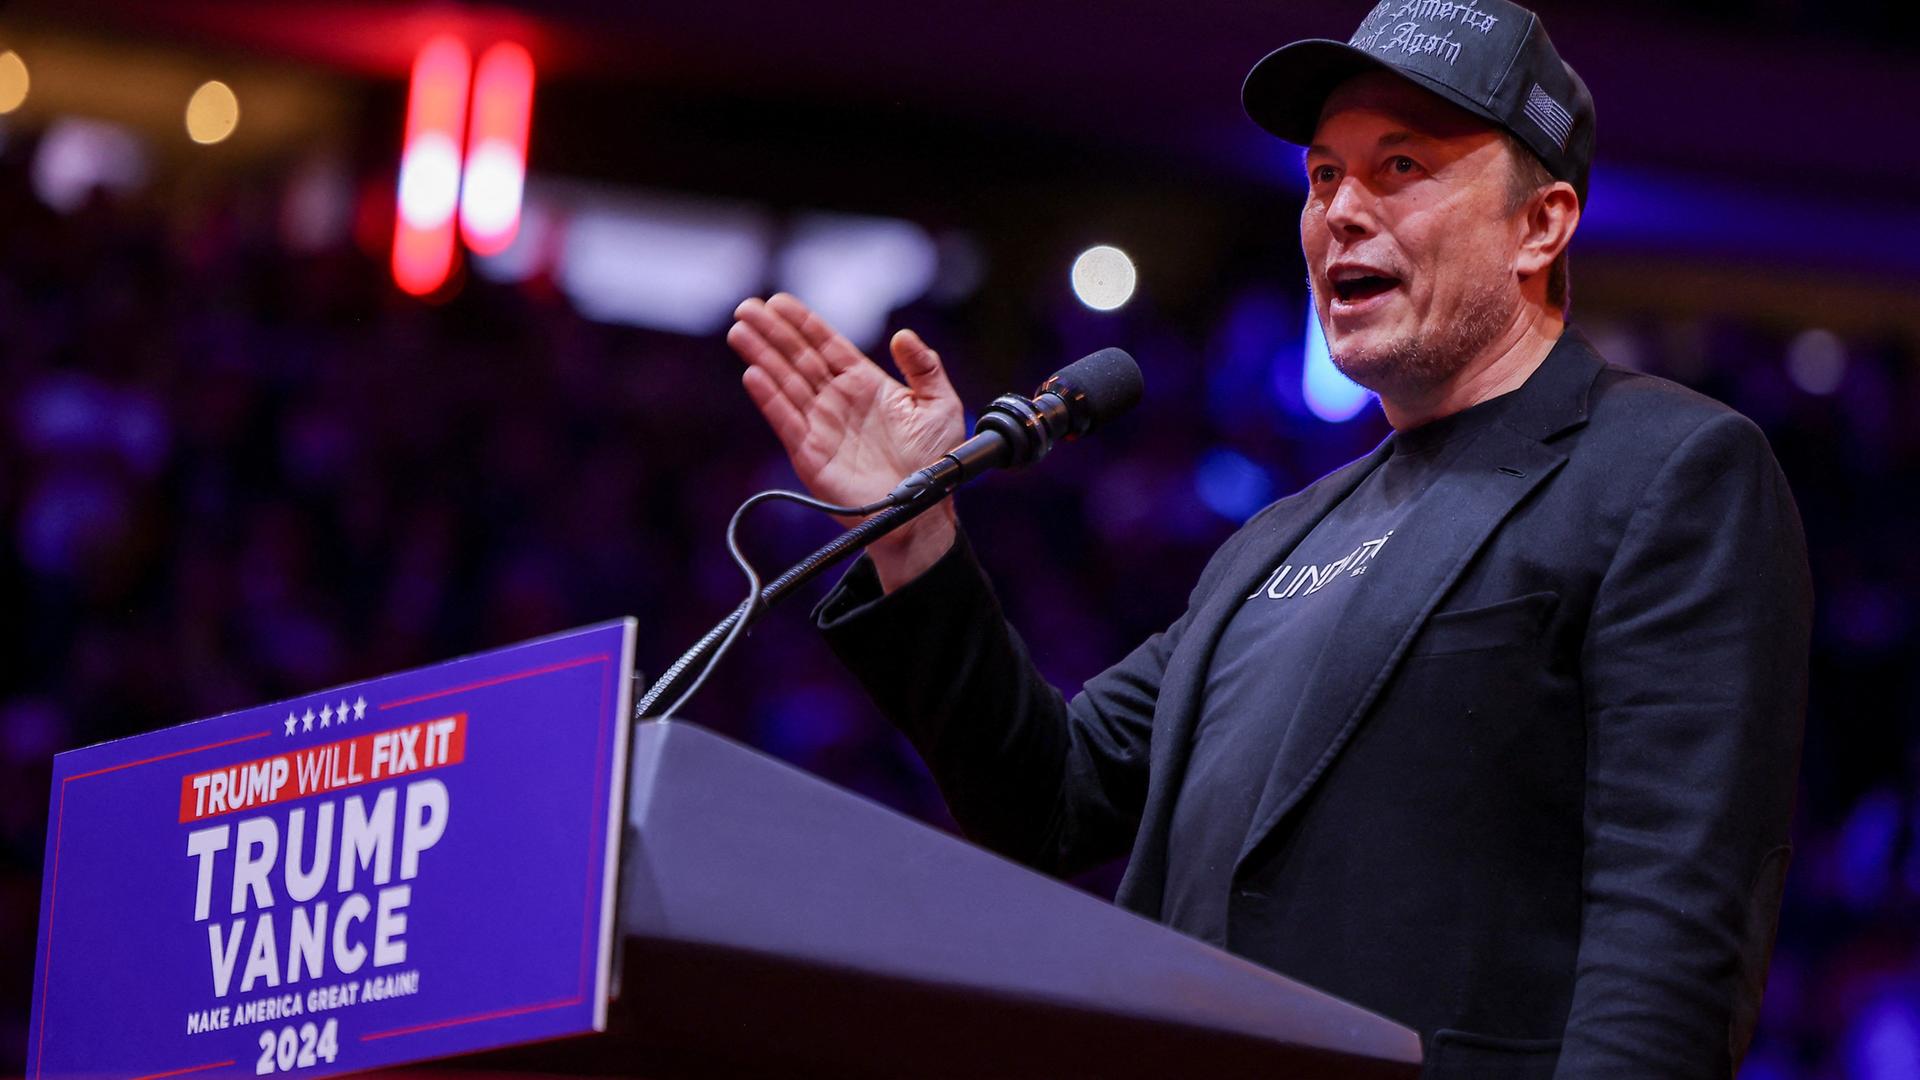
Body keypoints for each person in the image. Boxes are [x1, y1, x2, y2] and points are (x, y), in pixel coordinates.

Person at [725, 1, 1811, 1075]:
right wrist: (913, 534)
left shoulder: (1667, 469)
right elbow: (1050, 799)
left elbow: (1670, 938)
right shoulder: (1275, 543)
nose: (1341, 211)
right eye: (1323, 175)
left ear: (1541, 225)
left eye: (1400, 166)